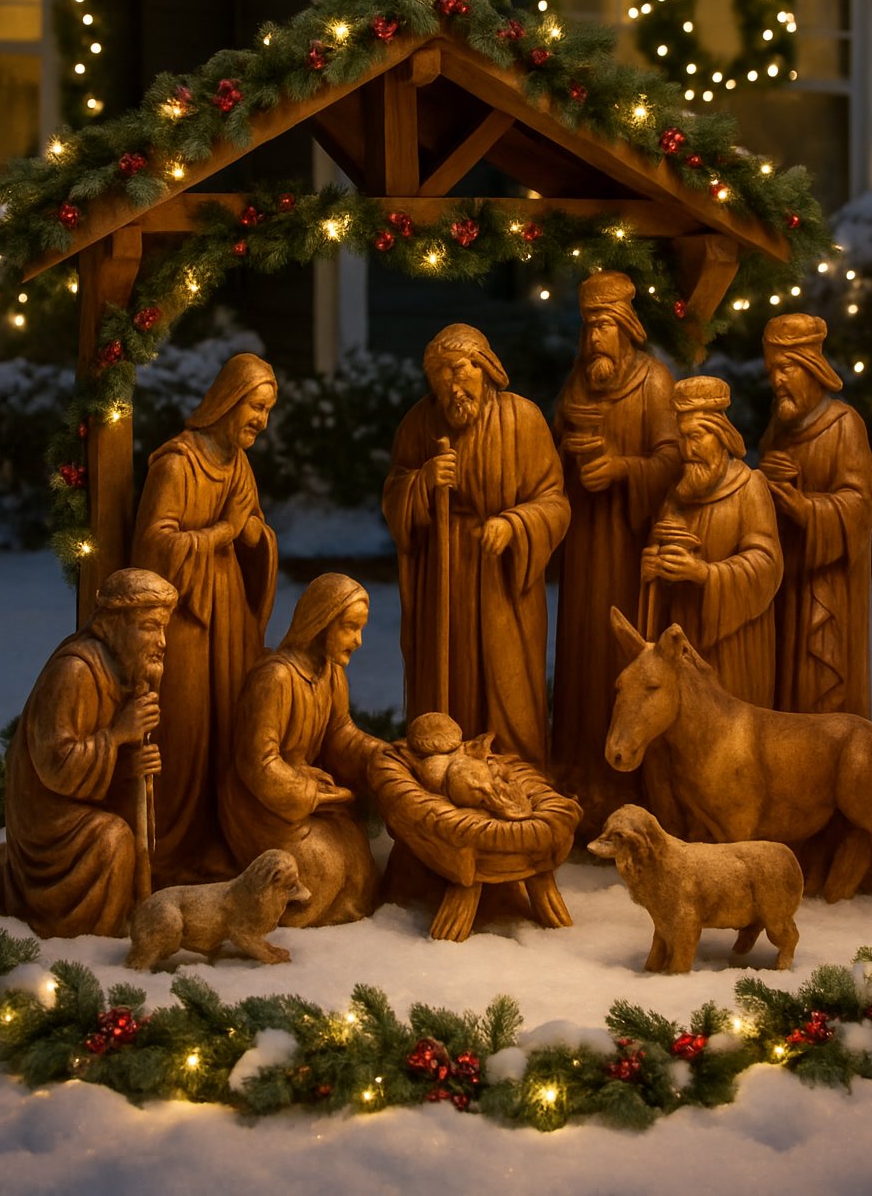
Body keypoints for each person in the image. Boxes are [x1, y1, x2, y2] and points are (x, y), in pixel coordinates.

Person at [382, 323, 569, 767]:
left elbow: (555, 501)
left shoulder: (523, 419)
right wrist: (423, 483)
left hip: (503, 576)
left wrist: (516, 524)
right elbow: (394, 494)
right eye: (440, 374)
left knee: (509, 678)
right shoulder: (419, 423)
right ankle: (442, 761)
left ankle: (517, 766)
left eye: (459, 370)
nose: (451, 384)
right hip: (443, 572)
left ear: (484, 369)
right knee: (446, 673)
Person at [131, 352, 278, 883]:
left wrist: (254, 535)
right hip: (186, 619)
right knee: (186, 726)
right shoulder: (177, 464)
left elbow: (252, 529)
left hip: (230, 614)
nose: (261, 420)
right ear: (228, 401)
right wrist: (221, 533)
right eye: (256, 407)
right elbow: (152, 547)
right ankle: (170, 849)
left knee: (228, 723)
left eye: (267, 411)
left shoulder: (238, 464)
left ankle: (220, 837)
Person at [0, 569, 177, 939]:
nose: (162, 641)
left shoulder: (123, 673)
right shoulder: (76, 671)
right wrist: (117, 736)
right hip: (46, 820)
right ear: (115, 625)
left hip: (76, 802)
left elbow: (95, 764)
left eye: (164, 628)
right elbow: (56, 765)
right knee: (112, 840)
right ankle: (85, 940)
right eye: (150, 627)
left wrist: (128, 766)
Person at [551, 271, 680, 831]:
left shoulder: (654, 382)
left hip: (629, 547)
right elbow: (549, 453)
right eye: (589, 326)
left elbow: (673, 460)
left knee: (622, 648)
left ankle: (629, 779)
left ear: (627, 327)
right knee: (581, 646)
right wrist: (569, 459)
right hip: (584, 545)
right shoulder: (578, 385)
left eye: (605, 325)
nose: (596, 338)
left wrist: (622, 469)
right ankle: (579, 767)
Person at [219, 573, 379, 925]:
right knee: (323, 864)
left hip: (304, 791)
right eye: (351, 628)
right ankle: (274, 917)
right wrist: (312, 794)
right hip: (260, 803)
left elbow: (341, 732)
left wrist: (377, 754)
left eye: (361, 629)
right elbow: (258, 763)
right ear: (321, 623)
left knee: (357, 859)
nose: (359, 640)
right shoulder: (275, 677)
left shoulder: (331, 673)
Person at [760, 313, 872, 716]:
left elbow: (861, 505)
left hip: (828, 590)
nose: (777, 380)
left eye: (787, 368)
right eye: (773, 370)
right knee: (784, 682)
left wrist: (806, 509)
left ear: (812, 368)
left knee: (821, 679)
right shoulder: (779, 428)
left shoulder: (844, 425)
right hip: (786, 577)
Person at [640, 376, 782, 707]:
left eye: (697, 437)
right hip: (683, 631)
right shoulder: (678, 494)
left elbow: (767, 562)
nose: (688, 451)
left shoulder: (750, 487)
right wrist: (651, 564)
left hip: (735, 643)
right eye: (682, 439)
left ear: (720, 435)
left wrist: (704, 574)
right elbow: (656, 548)